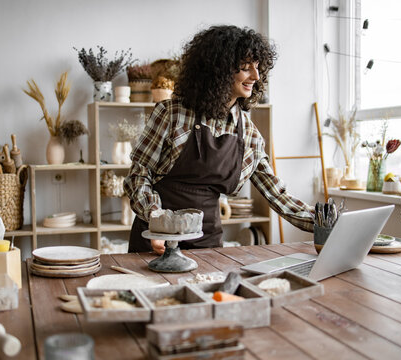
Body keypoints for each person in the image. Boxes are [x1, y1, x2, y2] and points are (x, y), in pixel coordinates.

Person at [124, 25, 314, 254]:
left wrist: (324, 223)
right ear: (219, 70)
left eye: (257, 67)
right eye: (245, 67)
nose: (255, 76)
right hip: (155, 239)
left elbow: (276, 194)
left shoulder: (250, 135)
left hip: (207, 244)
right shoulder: (172, 114)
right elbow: (139, 174)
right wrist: (157, 219)